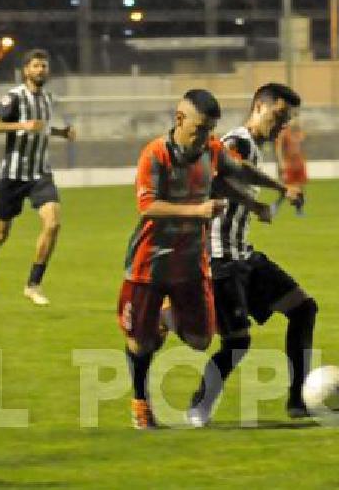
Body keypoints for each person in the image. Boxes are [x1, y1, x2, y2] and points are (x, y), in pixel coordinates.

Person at [118, 89, 301, 429]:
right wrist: (197, 210)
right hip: (150, 263)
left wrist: (270, 193)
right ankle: (141, 403)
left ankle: (167, 317)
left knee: (202, 341)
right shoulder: (155, 154)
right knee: (139, 344)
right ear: (179, 119)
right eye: (200, 128)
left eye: (210, 130)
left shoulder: (211, 149)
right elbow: (148, 206)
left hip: (191, 262)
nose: (205, 137)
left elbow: (236, 175)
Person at [165, 83, 319, 427]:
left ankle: (298, 401)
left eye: (288, 119)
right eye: (279, 116)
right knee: (237, 342)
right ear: (259, 107)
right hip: (220, 258)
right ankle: (197, 405)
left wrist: (272, 197)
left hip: (242, 255)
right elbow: (214, 177)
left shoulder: (254, 148)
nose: (282, 125)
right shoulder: (238, 142)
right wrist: (260, 201)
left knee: (303, 308)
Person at [0, 48, 76, 308]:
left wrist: (62, 132)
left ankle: (33, 284)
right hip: (13, 176)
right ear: (26, 70)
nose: (40, 70)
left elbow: (42, 128)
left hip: (40, 173)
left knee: (52, 224)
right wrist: (21, 125)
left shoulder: (49, 99)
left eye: (44, 66)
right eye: (36, 66)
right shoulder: (14, 98)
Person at [274, 114, 309, 216]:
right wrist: (281, 162)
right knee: (287, 189)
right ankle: (276, 206)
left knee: (301, 188)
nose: (295, 121)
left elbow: (302, 145)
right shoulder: (284, 133)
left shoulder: (299, 132)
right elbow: (279, 148)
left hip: (299, 163)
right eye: (293, 119)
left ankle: (299, 210)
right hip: (289, 164)